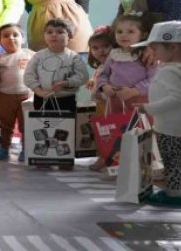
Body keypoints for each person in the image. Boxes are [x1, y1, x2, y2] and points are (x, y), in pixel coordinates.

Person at [133, 21, 181, 208]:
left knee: (171, 160)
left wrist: (148, 107)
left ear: (173, 47)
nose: (152, 53)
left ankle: (173, 195)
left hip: (170, 125)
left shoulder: (170, 71)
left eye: (155, 48)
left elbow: (176, 98)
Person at [23, 19, 89, 169]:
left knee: (65, 130)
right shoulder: (38, 56)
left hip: (66, 99)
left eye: (60, 32)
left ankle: (64, 158)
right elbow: (28, 76)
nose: (54, 35)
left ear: (69, 36)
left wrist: (66, 83)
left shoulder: (74, 57)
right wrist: (39, 90)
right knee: (43, 129)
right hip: (42, 98)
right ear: (45, 36)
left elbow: (82, 76)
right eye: (50, 32)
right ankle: (43, 157)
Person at [97, 13, 157, 113]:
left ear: (143, 35)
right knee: (116, 127)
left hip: (139, 102)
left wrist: (134, 91)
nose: (123, 35)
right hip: (115, 102)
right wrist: (105, 86)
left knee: (140, 128)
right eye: (119, 31)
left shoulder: (147, 56)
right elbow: (103, 75)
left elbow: (155, 80)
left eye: (130, 31)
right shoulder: (114, 54)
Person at [0, 24, 34, 161]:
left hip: (26, 96)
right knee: (4, 124)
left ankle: (26, 149)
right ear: (0, 40)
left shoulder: (31, 55)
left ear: (22, 38)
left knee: (26, 124)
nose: (11, 38)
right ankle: (4, 148)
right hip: (5, 96)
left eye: (15, 35)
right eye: (6, 36)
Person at [85, 26, 113, 171]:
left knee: (107, 134)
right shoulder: (102, 65)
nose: (101, 50)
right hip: (99, 105)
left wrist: (100, 94)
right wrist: (92, 81)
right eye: (95, 48)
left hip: (107, 105)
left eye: (105, 46)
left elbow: (110, 85)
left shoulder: (113, 66)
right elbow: (100, 78)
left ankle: (106, 159)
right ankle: (103, 157)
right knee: (100, 133)